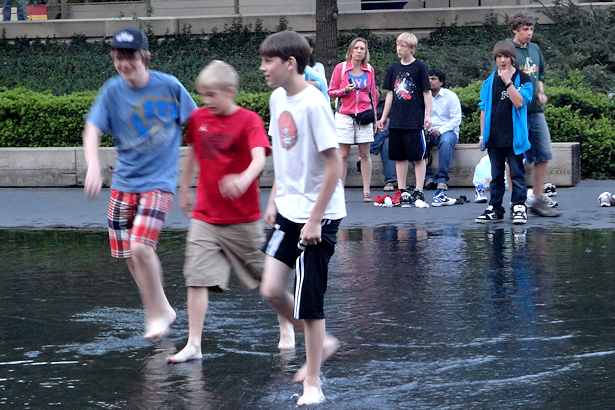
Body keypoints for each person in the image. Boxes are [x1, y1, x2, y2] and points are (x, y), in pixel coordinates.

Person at [164, 60, 294, 363]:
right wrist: (184, 188)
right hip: (206, 215)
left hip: (242, 219)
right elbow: (194, 152)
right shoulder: (198, 118)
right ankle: (193, 343)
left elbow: (259, 157)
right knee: (195, 277)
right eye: (203, 95)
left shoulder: (248, 120)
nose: (206, 101)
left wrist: (244, 178)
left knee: (267, 280)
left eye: (211, 95)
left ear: (230, 91)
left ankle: (286, 324)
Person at [82, 27, 198, 339]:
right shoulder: (112, 90)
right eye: (119, 57)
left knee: (141, 247)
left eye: (130, 56)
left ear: (144, 56)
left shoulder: (169, 86)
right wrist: (93, 166)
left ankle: (156, 312)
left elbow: (198, 124)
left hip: (159, 182)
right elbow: (92, 130)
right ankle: (161, 310)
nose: (124, 63)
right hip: (124, 182)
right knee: (129, 255)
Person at [259, 31, 346, 406]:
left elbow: (335, 164)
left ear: (289, 63)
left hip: (320, 216)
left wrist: (314, 220)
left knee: (308, 302)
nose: (262, 68)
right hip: (289, 209)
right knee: (271, 289)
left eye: (268, 61)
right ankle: (321, 342)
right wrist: (276, 195)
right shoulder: (278, 98)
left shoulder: (313, 103)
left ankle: (313, 383)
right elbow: (282, 150)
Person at [508, 11, 561, 217]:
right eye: (524, 30)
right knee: (514, 156)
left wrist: (540, 91)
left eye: (531, 29)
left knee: (543, 154)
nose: (529, 33)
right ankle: (517, 201)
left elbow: (540, 75)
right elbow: (502, 78)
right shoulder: (508, 49)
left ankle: (538, 199)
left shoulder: (536, 49)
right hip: (517, 112)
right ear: (515, 30)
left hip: (536, 111)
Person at [475, 40, 532, 224]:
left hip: (514, 137)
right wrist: (483, 135)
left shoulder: (523, 79)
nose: (502, 60)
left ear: (512, 58)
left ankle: (518, 206)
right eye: (499, 56)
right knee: (496, 175)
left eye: (506, 56)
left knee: (516, 174)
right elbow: (483, 109)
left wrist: (508, 82)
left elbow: (520, 102)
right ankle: (495, 207)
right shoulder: (489, 82)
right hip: (494, 136)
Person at [377, 32, 432, 208]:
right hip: (397, 119)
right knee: (399, 156)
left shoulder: (420, 67)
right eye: (398, 45)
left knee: (417, 156)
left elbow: (426, 91)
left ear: (412, 48)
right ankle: (401, 190)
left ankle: (418, 189)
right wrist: (384, 116)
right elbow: (390, 94)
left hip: (414, 118)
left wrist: (428, 114)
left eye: (403, 46)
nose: (399, 49)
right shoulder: (394, 69)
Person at [328, 37, 378, 203]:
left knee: (365, 154)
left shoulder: (369, 70)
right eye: (356, 48)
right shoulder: (341, 68)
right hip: (344, 115)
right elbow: (331, 91)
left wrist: (375, 120)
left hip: (364, 115)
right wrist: (344, 91)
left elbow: (373, 96)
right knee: (343, 154)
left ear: (365, 52)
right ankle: (340, 191)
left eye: (362, 48)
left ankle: (366, 191)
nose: (359, 51)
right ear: (350, 51)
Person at [424, 69, 462, 207]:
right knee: (412, 141)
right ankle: (427, 178)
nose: (430, 81)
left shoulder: (450, 97)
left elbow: (456, 120)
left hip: (447, 131)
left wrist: (439, 131)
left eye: (433, 79)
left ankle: (442, 180)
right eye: (428, 78)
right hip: (427, 131)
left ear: (441, 82)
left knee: (446, 142)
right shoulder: (422, 96)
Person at [370, 84, 397, 191]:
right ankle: (390, 181)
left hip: (395, 130)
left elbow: (398, 118)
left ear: (376, 88)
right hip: (380, 136)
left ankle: (369, 150)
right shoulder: (365, 102)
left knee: (385, 126)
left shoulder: (389, 98)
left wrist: (381, 122)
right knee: (386, 143)